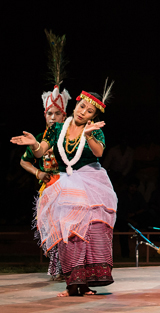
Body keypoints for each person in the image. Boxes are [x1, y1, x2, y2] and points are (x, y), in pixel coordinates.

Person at [11, 80, 117, 297]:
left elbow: (98, 153)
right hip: (65, 184)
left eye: (89, 111)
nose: (83, 112)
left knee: (92, 229)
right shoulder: (57, 128)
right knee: (70, 232)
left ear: (93, 116)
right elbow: (41, 152)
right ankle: (72, 283)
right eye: (81, 107)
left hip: (92, 181)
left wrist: (88, 134)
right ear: (76, 104)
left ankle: (87, 283)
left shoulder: (94, 131)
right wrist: (33, 143)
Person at [20, 30, 70, 281]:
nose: (53, 117)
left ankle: (67, 267)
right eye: (49, 114)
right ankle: (56, 267)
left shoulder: (67, 134)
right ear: (44, 115)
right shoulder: (39, 138)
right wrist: (37, 171)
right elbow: (25, 159)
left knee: (67, 229)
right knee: (49, 228)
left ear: (64, 115)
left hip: (68, 187)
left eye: (57, 114)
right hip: (47, 188)